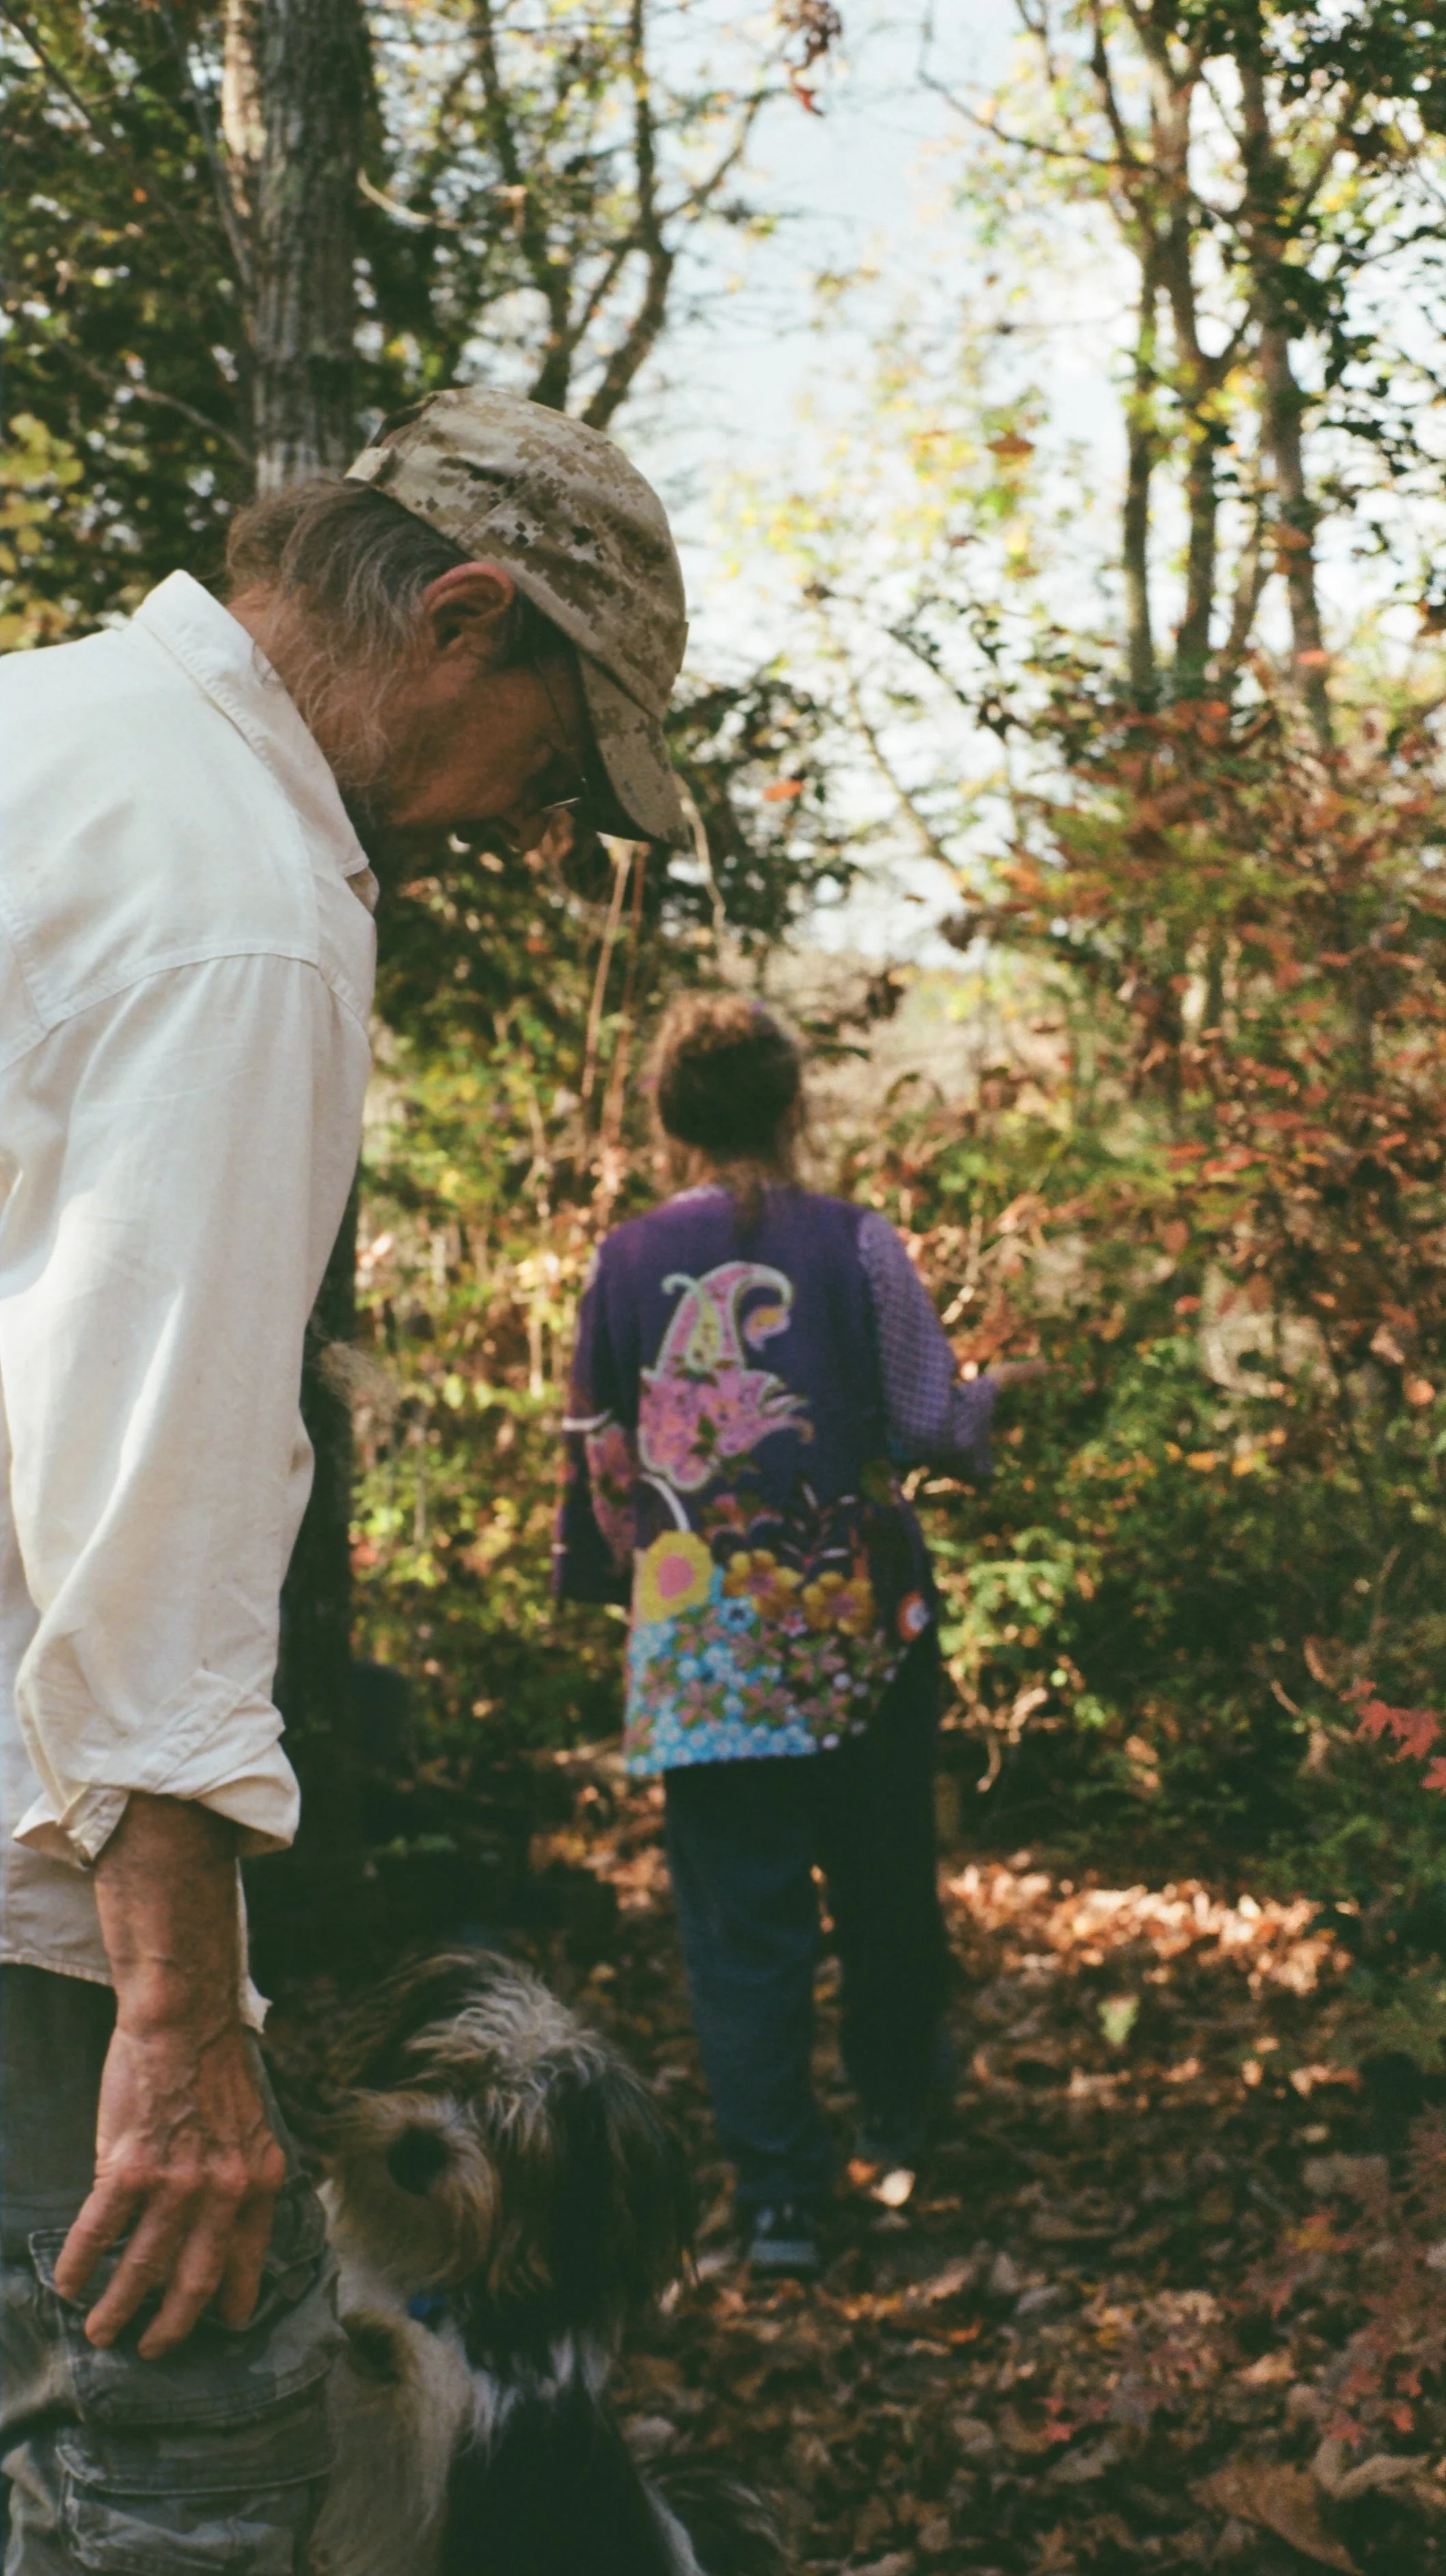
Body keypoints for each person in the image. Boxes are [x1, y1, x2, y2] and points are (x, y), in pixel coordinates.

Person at [0, 387, 688, 2570]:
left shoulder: (43, 736)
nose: (526, 831)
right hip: (29, 1860)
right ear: (461, 616)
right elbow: (152, 1459)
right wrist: (184, 2019)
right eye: (556, 769)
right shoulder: (249, 906)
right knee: (189, 2424)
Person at [553, 993, 1039, 2281]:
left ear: (669, 1118)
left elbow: (602, 1458)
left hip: (704, 1648)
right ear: (792, 1106)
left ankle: (781, 2203)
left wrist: (634, 1590)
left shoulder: (620, 1260)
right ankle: (897, 2118)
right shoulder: (858, 1243)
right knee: (884, 1892)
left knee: (738, 1928)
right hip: (856, 1630)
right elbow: (933, 1425)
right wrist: (1001, 1399)